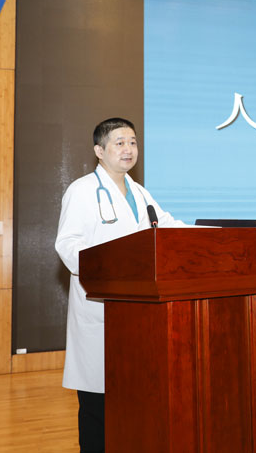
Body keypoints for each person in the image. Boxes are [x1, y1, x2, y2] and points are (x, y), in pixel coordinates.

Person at [55, 117, 190, 453]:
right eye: (119, 143)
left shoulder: (140, 192)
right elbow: (67, 245)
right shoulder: (82, 190)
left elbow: (167, 227)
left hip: (138, 313)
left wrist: (209, 234)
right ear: (99, 151)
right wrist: (109, 269)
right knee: (97, 406)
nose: (128, 149)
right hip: (100, 310)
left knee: (132, 402)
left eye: (132, 142)